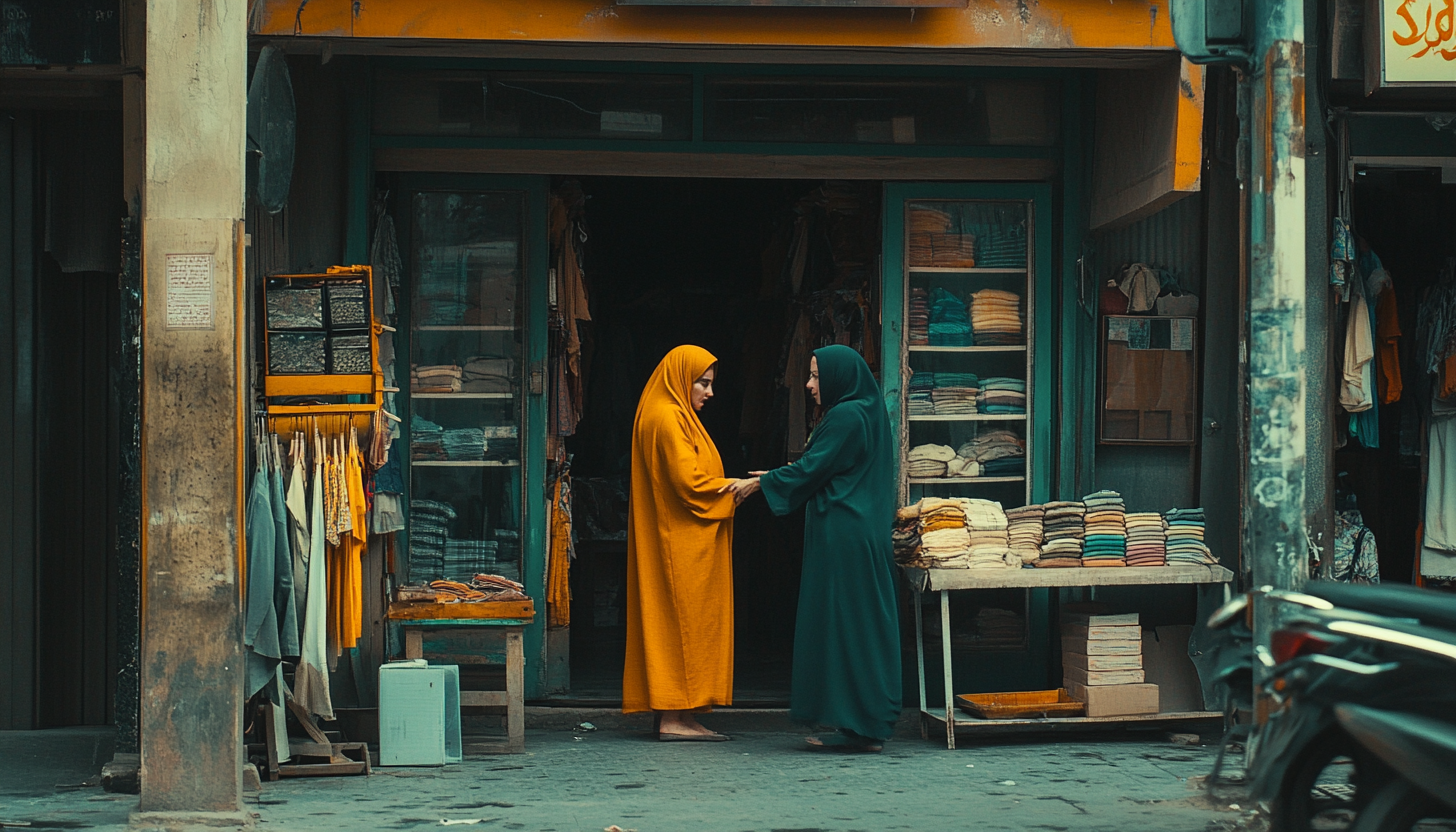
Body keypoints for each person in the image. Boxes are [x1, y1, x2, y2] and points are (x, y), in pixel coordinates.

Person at [725, 345, 901, 752]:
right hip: (858, 535)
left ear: (839, 378)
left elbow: (814, 468)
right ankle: (864, 724)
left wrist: (757, 484)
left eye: (817, 375)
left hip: (844, 539)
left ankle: (861, 725)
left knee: (846, 628)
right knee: (859, 627)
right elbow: (831, 465)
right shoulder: (868, 411)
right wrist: (776, 476)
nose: (808, 384)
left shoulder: (846, 414)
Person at [622, 345, 741, 741]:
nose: (709, 392)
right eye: (702, 383)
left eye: (711, 384)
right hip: (681, 546)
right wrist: (738, 488)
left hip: (686, 543)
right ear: (679, 378)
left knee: (683, 625)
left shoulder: (670, 413)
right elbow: (688, 484)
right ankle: (674, 718)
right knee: (682, 625)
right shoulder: (668, 418)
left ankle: (682, 715)